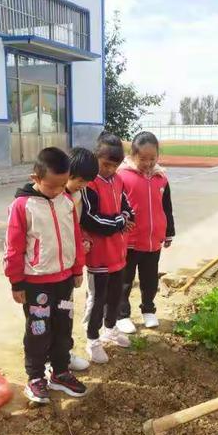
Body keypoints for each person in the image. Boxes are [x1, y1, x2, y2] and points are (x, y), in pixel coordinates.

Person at [4, 147, 87, 403]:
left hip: (63, 282)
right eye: (52, 186)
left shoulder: (66, 202)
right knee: (39, 331)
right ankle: (36, 377)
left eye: (63, 185)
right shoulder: (22, 206)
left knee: (63, 327)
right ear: (35, 178)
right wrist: (16, 281)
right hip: (35, 284)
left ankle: (60, 372)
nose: (58, 191)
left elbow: (75, 236)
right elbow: (13, 246)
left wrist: (76, 268)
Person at [81, 132, 134, 364]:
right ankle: (92, 340)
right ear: (96, 159)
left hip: (118, 252)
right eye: (106, 165)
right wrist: (120, 221)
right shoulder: (90, 184)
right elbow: (91, 219)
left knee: (115, 295)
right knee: (98, 298)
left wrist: (126, 215)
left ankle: (110, 329)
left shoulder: (119, 180)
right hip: (99, 255)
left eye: (115, 165)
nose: (110, 170)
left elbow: (126, 206)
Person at [116, 131, 175, 333]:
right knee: (125, 279)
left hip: (152, 240)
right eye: (143, 159)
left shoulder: (161, 178)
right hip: (129, 239)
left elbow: (166, 207)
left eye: (153, 158)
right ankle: (121, 314)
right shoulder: (122, 176)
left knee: (150, 279)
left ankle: (148, 309)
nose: (148, 163)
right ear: (132, 155)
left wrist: (168, 232)